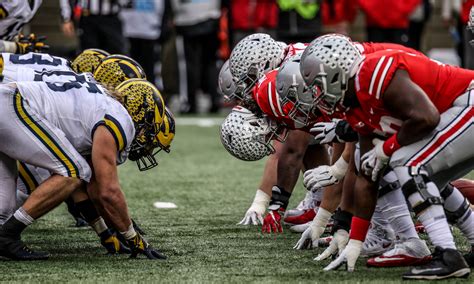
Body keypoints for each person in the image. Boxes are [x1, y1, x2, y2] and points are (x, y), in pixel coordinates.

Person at [299, 34, 474, 279]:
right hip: (460, 109)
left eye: (318, 83)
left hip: (468, 100)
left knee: (407, 162)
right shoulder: (356, 104)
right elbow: (367, 175)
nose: (316, 93)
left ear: (336, 72)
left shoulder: (370, 73)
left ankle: (448, 255)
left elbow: (426, 117)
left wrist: (388, 147)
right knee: (423, 175)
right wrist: (354, 240)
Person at [172, 0, 221, 113]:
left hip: (187, 19)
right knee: (211, 62)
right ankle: (214, 99)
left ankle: (189, 102)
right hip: (210, 17)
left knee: (188, 65)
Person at [60, 0, 126, 54]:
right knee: (89, 54)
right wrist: (66, 18)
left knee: (115, 54)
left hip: (111, 19)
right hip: (88, 19)